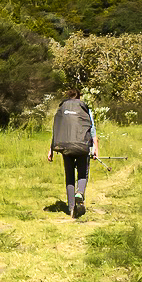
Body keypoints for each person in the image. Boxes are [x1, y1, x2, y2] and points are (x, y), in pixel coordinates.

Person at [47, 89, 100, 218]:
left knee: (69, 175)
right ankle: (80, 193)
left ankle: (71, 209)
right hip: (82, 146)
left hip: (65, 146)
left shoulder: (62, 109)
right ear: (79, 97)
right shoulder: (84, 109)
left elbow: (57, 129)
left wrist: (51, 149)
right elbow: (91, 129)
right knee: (82, 173)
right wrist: (95, 148)